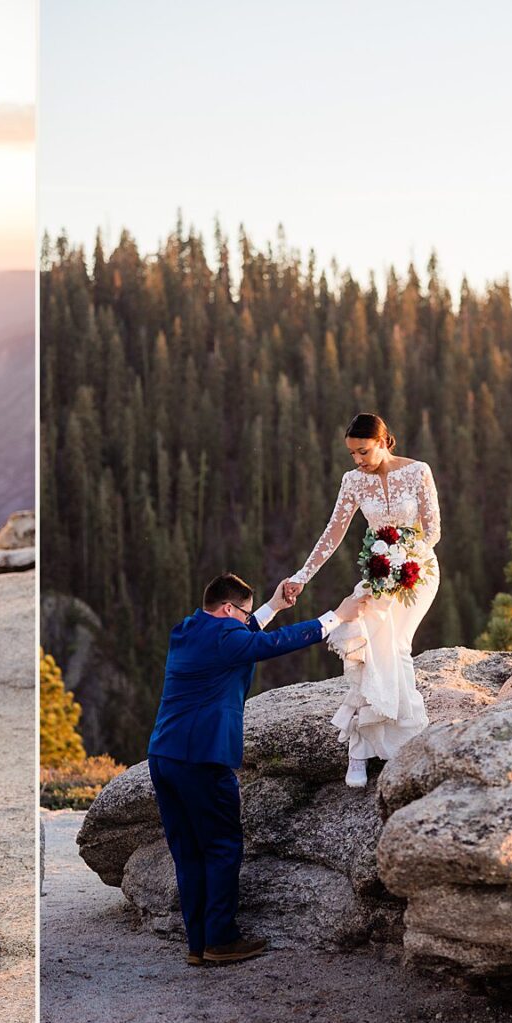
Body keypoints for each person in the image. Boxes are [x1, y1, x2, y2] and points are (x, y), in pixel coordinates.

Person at [145, 571, 364, 966]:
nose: (248, 619)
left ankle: (199, 943)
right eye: (244, 613)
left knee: (188, 852)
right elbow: (269, 644)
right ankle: (221, 940)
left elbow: (240, 638)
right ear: (229, 609)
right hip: (203, 758)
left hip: (164, 756)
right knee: (223, 846)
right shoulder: (227, 637)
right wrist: (337, 617)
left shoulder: (188, 629)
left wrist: (274, 605)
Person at [287, 413, 443, 787]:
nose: (357, 459)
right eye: (352, 453)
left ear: (383, 441)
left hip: (418, 570)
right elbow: (333, 533)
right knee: (365, 644)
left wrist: (406, 555)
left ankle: (406, 741)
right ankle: (359, 749)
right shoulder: (353, 481)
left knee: (397, 646)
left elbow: (433, 530)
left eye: (363, 451)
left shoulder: (418, 471)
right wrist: (301, 576)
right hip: (378, 573)